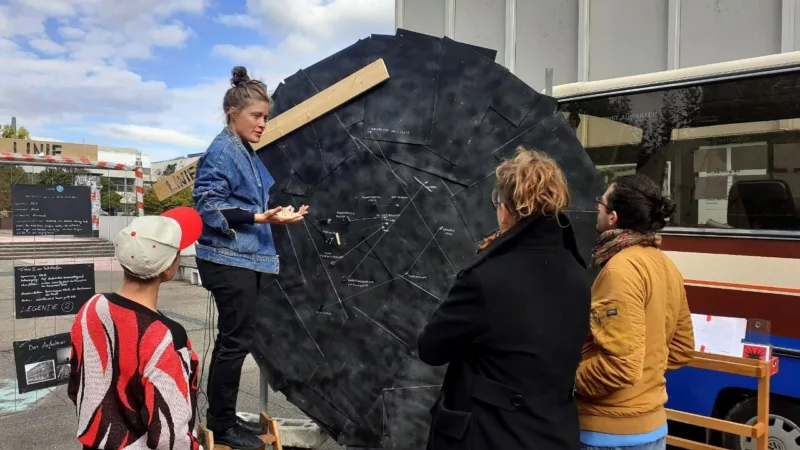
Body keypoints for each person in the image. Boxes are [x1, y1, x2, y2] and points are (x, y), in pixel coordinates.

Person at [418, 147, 592, 450]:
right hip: (555, 434)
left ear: (508, 209)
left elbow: (431, 348)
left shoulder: (486, 278)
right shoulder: (578, 272)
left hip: (490, 436)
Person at [192, 66, 309, 449]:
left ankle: (223, 420)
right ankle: (222, 425)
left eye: (265, 117)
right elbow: (208, 206)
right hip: (228, 261)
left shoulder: (240, 149)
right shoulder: (223, 151)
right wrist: (261, 216)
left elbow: (243, 207)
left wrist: (277, 217)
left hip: (243, 259)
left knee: (236, 340)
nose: (263, 124)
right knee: (233, 342)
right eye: (256, 116)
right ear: (233, 112)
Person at [576, 174, 695, 450]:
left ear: (613, 217)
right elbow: (681, 348)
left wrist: (567, 378)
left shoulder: (619, 270)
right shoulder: (666, 265)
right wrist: (644, 379)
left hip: (608, 435)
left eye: (601, 202)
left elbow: (619, 366)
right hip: (653, 430)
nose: (597, 207)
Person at [68, 207, 203, 450]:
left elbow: (76, 383)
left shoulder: (90, 308)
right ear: (168, 268)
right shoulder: (166, 336)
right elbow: (170, 437)